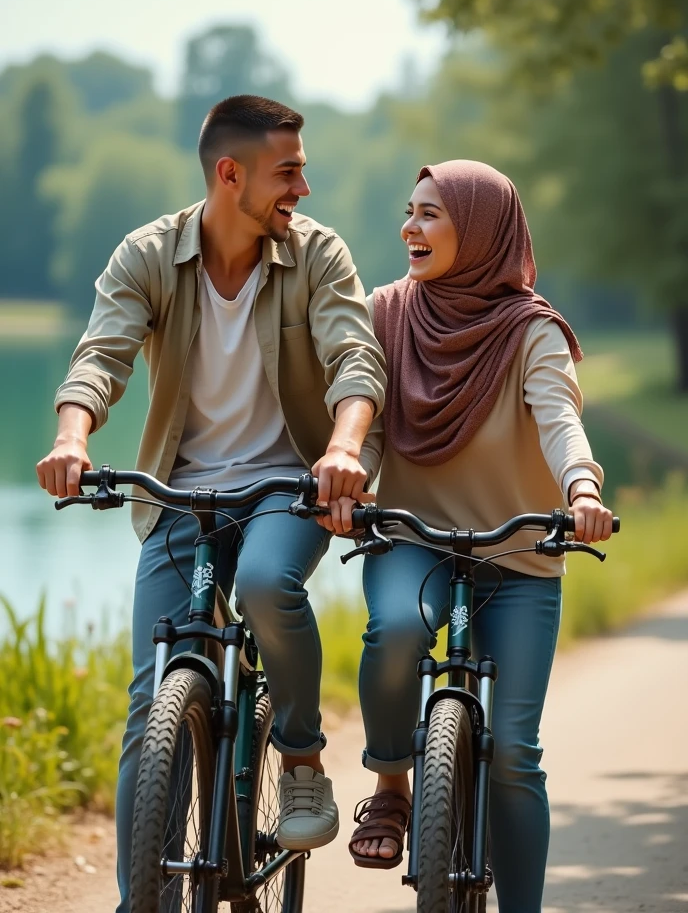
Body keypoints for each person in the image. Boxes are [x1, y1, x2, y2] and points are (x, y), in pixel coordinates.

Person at [36, 95, 386, 913]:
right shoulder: (150, 255)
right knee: (151, 698)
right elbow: (102, 354)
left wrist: (341, 448)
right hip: (180, 497)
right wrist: (73, 436)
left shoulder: (317, 256)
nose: (303, 185)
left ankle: (299, 759)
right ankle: (143, 901)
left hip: (285, 485)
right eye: (287, 170)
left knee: (268, 584)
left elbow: (355, 360)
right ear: (231, 174)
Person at [348, 160, 614, 913]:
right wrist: (354, 479)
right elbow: (367, 420)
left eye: (431, 214)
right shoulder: (386, 312)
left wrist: (583, 489)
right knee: (395, 627)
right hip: (414, 541)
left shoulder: (533, 330)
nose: (410, 228)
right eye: (409, 212)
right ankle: (393, 785)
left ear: (483, 228)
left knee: (515, 759)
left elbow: (560, 418)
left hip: (520, 556)